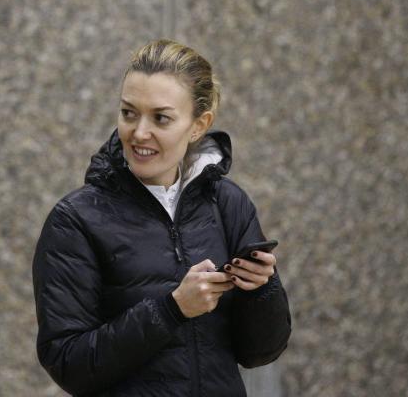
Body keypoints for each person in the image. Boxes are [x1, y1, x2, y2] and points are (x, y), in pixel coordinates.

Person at [32, 39, 291, 396]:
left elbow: (261, 352)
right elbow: (68, 364)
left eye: (161, 118)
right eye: (128, 113)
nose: (139, 132)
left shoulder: (228, 203)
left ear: (199, 125)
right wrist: (171, 309)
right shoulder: (75, 220)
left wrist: (262, 290)